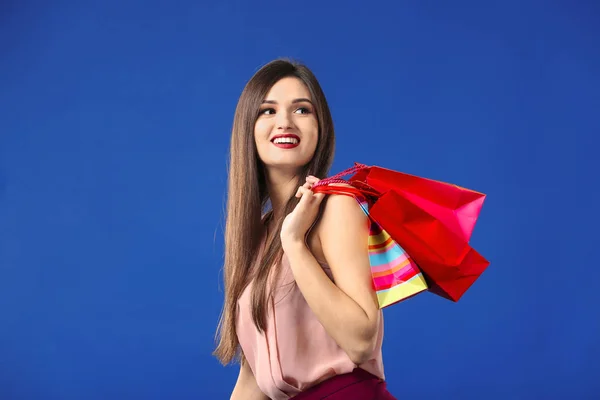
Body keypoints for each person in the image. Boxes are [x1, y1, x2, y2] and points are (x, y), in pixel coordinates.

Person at [214, 58, 396, 400]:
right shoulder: (257, 235)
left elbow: (361, 342)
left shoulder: (337, 207)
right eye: (267, 111)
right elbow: (253, 379)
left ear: (320, 125)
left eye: (301, 110)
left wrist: (294, 244)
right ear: (248, 129)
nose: (284, 122)